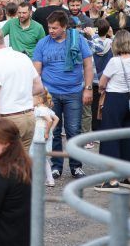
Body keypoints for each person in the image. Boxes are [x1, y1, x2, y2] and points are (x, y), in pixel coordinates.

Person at [32, 10, 94, 180]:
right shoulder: (43, 44)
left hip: (74, 92)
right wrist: (41, 95)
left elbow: (88, 66)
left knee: (74, 130)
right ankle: (56, 166)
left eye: (54, 28)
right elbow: (36, 71)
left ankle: (76, 166)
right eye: (49, 27)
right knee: (54, 131)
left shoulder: (78, 40)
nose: (51, 31)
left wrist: (88, 88)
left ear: (64, 27)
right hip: (51, 94)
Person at [0, 26, 44, 150]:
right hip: (29, 117)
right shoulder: (22, 57)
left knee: (1, 163)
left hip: (7, 119)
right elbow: (39, 87)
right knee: (21, 163)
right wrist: (19, 94)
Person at [96, 30, 130, 191]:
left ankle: (111, 179)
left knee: (110, 136)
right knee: (129, 137)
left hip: (115, 99)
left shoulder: (114, 62)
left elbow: (103, 82)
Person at [33, 92, 59, 187]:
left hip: (39, 134)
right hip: (44, 134)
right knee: (43, 158)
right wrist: (51, 130)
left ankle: (39, 179)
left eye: (33, 99)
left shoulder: (39, 110)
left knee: (36, 156)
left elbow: (50, 120)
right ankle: (49, 179)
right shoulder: (47, 109)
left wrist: (47, 132)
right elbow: (57, 119)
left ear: (39, 100)